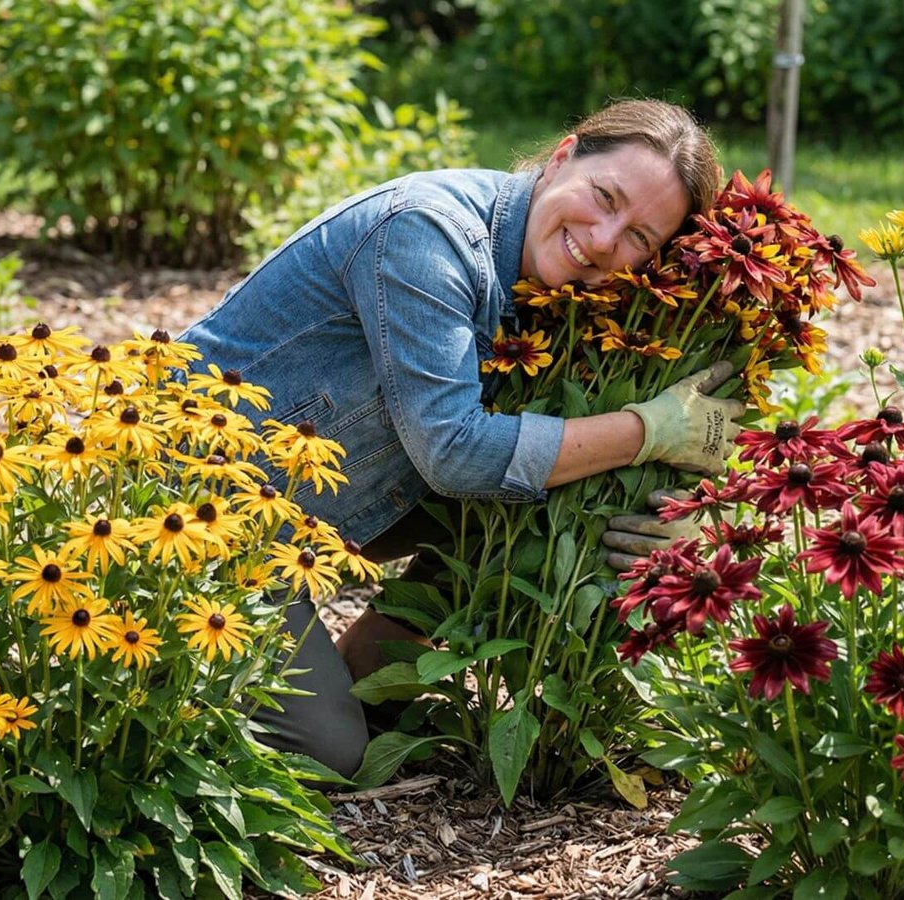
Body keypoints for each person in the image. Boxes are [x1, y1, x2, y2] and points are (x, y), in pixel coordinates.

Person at [178, 99, 742, 778]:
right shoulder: (427, 233)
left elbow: (560, 455)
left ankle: (365, 676)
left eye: (639, 240)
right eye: (603, 196)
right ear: (564, 155)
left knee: (546, 483)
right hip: (196, 514)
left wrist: (678, 517)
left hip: (307, 511)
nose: (602, 241)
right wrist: (650, 431)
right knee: (331, 753)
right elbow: (455, 451)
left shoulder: (566, 292)